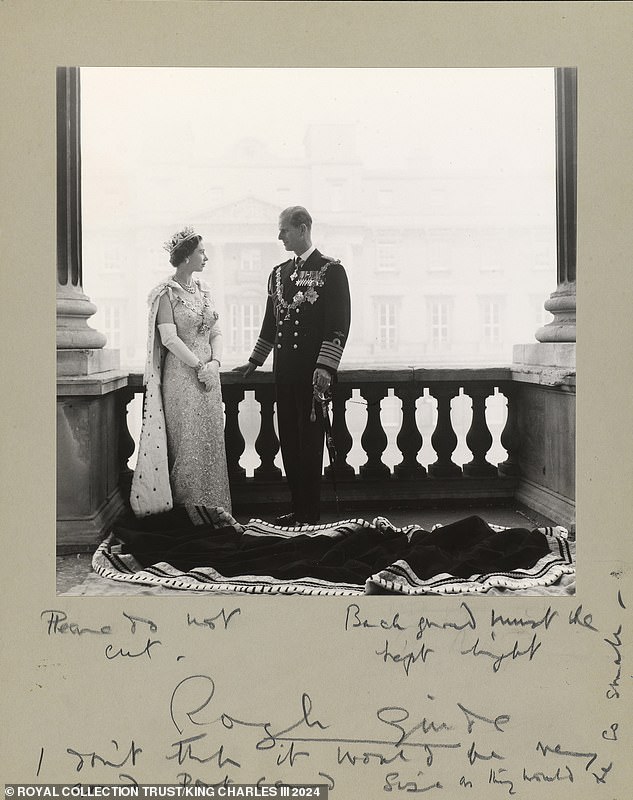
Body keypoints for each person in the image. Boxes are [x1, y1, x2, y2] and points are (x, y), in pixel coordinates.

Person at [234, 206, 351, 525]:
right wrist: (255, 360)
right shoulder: (278, 273)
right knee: (288, 438)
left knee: (310, 442)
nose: (279, 236)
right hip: (284, 371)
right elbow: (271, 323)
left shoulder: (330, 270)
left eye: (284, 230)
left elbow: (338, 323)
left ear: (303, 229)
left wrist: (326, 366)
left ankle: (310, 512)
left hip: (312, 374)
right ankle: (299, 508)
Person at [130, 226, 231, 517]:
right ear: (186, 257)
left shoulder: (205, 290)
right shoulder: (165, 294)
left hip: (209, 378)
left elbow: (217, 332)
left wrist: (215, 365)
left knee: (211, 441)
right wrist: (198, 365)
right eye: (201, 252)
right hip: (181, 378)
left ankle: (216, 511)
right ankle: (189, 515)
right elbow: (170, 339)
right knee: (186, 444)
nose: (206, 257)